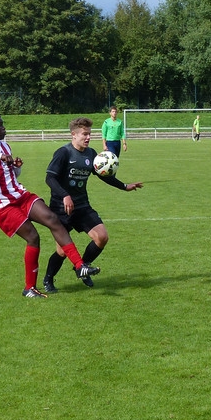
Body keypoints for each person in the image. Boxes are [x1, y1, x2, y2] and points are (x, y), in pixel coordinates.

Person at [0, 112, 100, 298]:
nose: (4, 128)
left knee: (52, 219)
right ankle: (29, 288)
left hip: (20, 195)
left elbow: (11, 175)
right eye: (0, 125)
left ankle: (79, 266)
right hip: (1, 204)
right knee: (33, 237)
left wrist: (16, 167)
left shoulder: (4, 145)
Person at [41, 117, 143, 293]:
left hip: (82, 206)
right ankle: (48, 279)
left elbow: (104, 175)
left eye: (89, 134)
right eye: (84, 134)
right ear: (73, 135)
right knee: (62, 251)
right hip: (61, 209)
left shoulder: (91, 154)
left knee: (102, 237)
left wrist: (125, 186)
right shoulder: (63, 153)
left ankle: (83, 267)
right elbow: (50, 178)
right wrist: (65, 195)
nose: (88, 137)